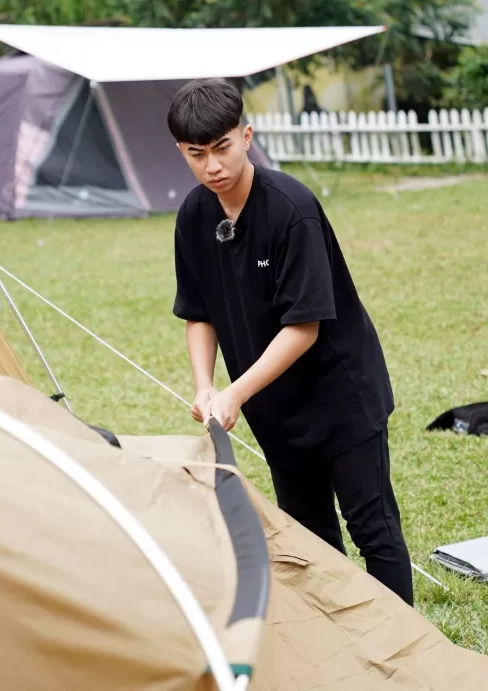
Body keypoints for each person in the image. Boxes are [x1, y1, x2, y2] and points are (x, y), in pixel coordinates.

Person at [166, 78, 413, 606]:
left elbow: (305, 327)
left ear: (247, 136)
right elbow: (198, 312)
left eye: (222, 148)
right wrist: (206, 385)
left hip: (342, 396)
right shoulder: (193, 217)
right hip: (274, 407)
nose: (213, 166)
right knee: (311, 542)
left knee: (374, 530)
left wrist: (234, 393)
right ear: (182, 154)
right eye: (197, 154)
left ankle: (406, 657)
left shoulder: (290, 208)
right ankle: (341, 656)